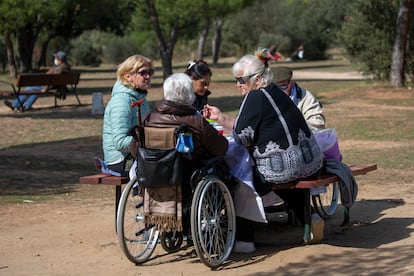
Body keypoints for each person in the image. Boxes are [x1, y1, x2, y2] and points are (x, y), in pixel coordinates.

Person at [203, 49, 323, 253]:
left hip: (282, 166)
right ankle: (308, 216)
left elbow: (241, 137)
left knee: (243, 180)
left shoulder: (255, 97)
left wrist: (223, 123)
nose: (238, 84)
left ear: (257, 79)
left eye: (241, 80)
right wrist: (221, 117)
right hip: (311, 162)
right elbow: (250, 129)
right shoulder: (277, 92)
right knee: (278, 180)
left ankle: (243, 239)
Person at [142, 72, 228, 239]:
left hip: (153, 176)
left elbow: (134, 149)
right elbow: (221, 148)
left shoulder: (148, 120)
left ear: (166, 94)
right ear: (190, 95)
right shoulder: (196, 122)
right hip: (187, 180)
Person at [102, 55, 154, 176]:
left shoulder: (140, 97)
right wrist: (150, 141)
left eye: (150, 72)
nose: (148, 77)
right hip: (120, 161)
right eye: (143, 73)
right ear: (128, 76)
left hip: (136, 154)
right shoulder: (121, 101)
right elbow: (119, 142)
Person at [3, 51, 71, 111]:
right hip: (54, 87)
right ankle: (26, 106)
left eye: (56, 57)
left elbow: (53, 80)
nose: (55, 59)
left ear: (60, 59)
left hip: (53, 88)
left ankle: (15, 104)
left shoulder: (60, 69)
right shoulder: (64, 67)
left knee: (30, 89)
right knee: (34, 90)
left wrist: (45, 89)